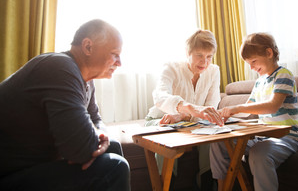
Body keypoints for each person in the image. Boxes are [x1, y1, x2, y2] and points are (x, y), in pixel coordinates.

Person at [0, 19, 130, 190]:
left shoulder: (86, 81)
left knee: (112, 146)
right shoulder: (59, 67)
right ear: (88, 47)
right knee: (115, 167)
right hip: (9, 173)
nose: (119, 63)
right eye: (115, 54)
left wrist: (99, 136)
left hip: (35, 167)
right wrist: (90, 140)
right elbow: (80, 149)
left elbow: (96, 120)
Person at [210, 32, 298, 191]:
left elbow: (272, 105)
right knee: (218, 143)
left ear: (269, 53)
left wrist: (236, 108)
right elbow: (248, 109)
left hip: (287, 136)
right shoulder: (260, 82)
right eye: (248, 63)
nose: (251, 67)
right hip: (263, 136)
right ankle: (223, 187)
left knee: (258, 154)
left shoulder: (283, 75)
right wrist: (225, 114)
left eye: (253, 61)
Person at [145, 29, 223, 189]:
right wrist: (186, 109)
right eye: (199, 55)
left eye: (209, 56)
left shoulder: (214, 71)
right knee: (165, 135)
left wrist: (182, 117)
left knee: (211, 136)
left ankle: (207, 184)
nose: (205, 62)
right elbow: (159, 96)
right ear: (188, 52)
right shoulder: (171, 68)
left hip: (195, 122)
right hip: (161, 119)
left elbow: (211, 106)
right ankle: (166, 185)